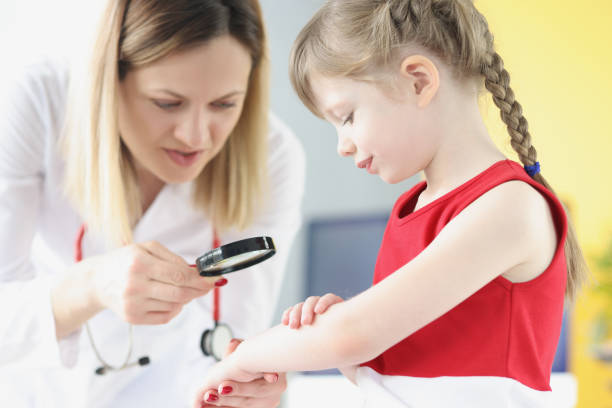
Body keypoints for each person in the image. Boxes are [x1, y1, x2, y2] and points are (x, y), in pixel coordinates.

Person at [192, 0, 589, 407]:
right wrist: (347, 350)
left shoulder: (510, 207)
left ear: (418, 81)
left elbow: (355, 333)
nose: (342, 146)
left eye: (346, 117)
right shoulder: (411, 211)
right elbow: (390, 368)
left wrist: (245, 358)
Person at [0, 0, 305, 407]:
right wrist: (90, 287)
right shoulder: (39, 101)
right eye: (167, 103)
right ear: (112, 77)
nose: (196, 136)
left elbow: (231, 336)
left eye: (224, 104)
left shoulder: (273, 156)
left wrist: (245, 386)